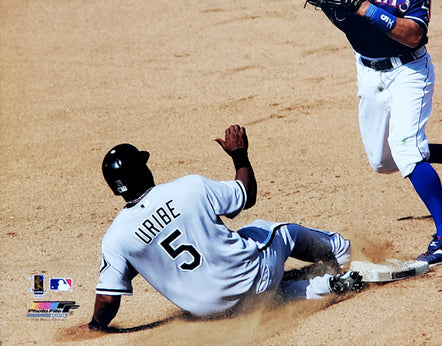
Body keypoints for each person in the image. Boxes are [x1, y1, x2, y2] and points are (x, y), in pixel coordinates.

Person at [180, 0, 442, 265]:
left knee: (405, 149)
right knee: (383, 161)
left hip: (408, 71)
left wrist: (363, 7)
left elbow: (414, 35)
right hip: (368, 71)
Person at [87, 124, 363, 331]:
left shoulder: (117, 238)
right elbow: (246, 194)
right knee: (273, 231)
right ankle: (344, 253)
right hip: (253, 278)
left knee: (253, 295)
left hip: (212, 312)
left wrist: (96, 326)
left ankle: (325, 286)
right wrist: (239, 155)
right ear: (144, 171)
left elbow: (108, 301)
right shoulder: (189, 187)